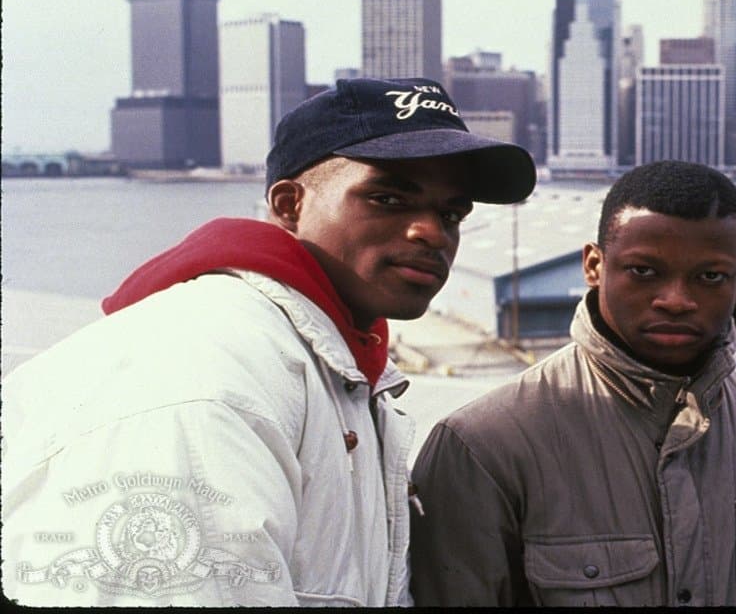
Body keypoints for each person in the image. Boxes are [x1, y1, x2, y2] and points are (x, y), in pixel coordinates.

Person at [1, 78, 536, 606]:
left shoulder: (327, 365)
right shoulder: (204, 372)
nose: (432, 233)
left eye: (451, 213)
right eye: (388, 197)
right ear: (288, 205)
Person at [407, 161, 736, 606]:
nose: (676, 300)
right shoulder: (483, 448)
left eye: (710, 276)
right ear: (594, 266)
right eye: (644, 271)